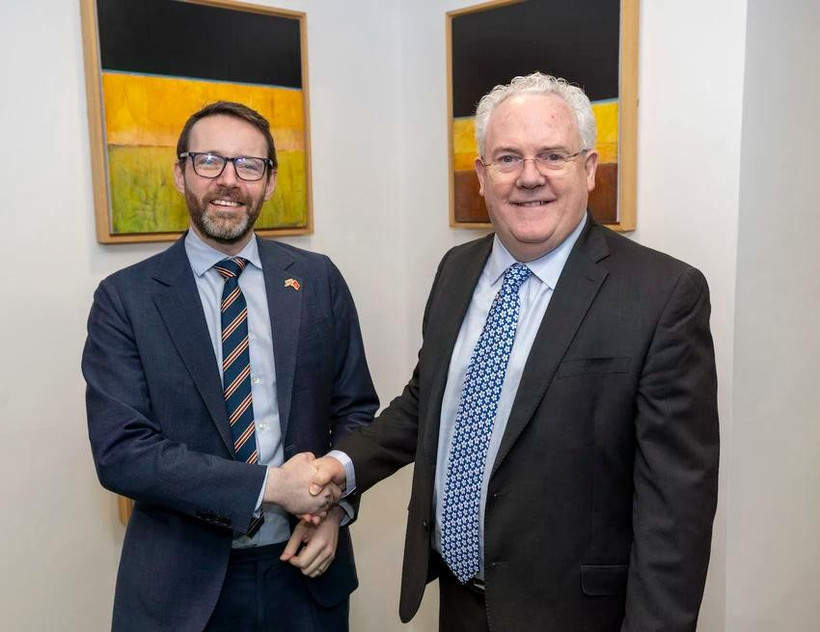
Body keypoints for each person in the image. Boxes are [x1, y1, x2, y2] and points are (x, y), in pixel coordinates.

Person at [310, 73, 719, 631]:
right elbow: (428, 401)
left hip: (578, 617)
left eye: (552, 155)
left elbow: (676, 512)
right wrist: (339, 466)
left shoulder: (663, 295)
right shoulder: (456, 271)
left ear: (589, 168)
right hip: (459, 604)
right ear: (482, 175)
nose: (530, 177)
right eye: (507, 158)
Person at [82, 101, 378, 632]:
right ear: (179, 173)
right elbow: (121, 453)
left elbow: (355, 410)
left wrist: (335, 509)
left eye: (248, 165)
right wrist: (269, 488)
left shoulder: (316, 280)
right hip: (181, 589)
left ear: (268, 181)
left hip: (307, 572)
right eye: (209, 161)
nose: (228, 181)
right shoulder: (125, 299)